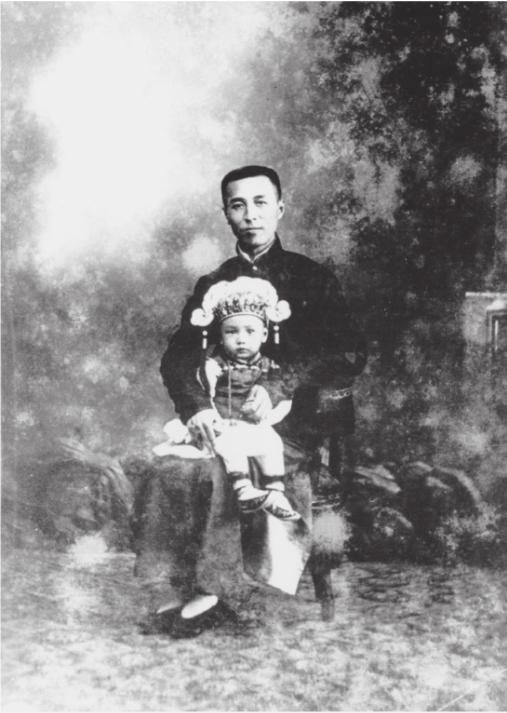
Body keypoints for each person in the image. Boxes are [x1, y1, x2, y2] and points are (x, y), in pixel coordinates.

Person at [135, 165, 367, 637]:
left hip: (289, 425)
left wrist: (282, 385)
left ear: (280, 208)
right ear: (226, 214)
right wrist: (197, 408)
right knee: (170, 468)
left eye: (261, 203)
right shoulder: (213, 283)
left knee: (222, 471)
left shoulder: (312, 278)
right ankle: (175, 583)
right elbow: (178, 358)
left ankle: (213, 588)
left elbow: (346, 353)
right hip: (223, 416)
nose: (251, 215)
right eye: (238, 205)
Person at [155, 275, 300, 520]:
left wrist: (271, 392)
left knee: (272, 443)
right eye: (232, 332)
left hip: (251, 424)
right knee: (231, 445)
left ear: (264, 334)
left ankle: (276, 492)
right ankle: (243, 489)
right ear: (221, 336)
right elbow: (201, 381)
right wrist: (206, 388)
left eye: (250, 331)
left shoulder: (268, 365)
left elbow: (287, 379)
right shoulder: (218, 363)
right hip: (223, 423)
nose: (241, 339)